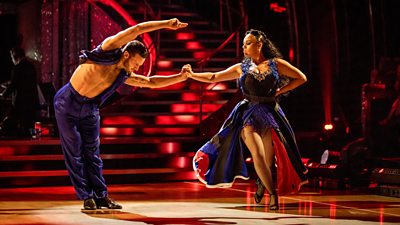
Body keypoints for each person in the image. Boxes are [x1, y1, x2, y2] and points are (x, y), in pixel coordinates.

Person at [53, 18, 188, 210]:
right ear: (126, 55)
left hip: (90, 108)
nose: (138, 68)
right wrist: (166, 24)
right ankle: (86, 196)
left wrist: (180, 77)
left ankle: (101, 195)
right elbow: (138, 28)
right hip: (67, 103)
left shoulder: (124, 74)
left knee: (93, 154)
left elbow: (151, 82)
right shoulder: (107, 49)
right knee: (75, 151)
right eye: (136, 63)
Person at [185, 29, 308, 210]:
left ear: (260, 44)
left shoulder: (275, 64)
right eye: (243, 44)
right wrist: (192, 74)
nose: (244, 47)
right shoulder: (241, 68)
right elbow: (214, 76)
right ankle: (273, 195)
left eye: (248, 43)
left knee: (268, 161)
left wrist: (280, 91)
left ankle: (261, 182)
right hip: (248, 114)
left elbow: (301, 78)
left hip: (270, 113)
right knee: (257, 154)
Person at [0, 47, 40, 137]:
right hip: (32, 102)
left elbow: (14, 85)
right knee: (28, 128)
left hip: (21, 103)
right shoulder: (31, 67)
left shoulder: (17, 68)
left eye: (11, 57)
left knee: (17, 126)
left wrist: (3, 95)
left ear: (14, 56)